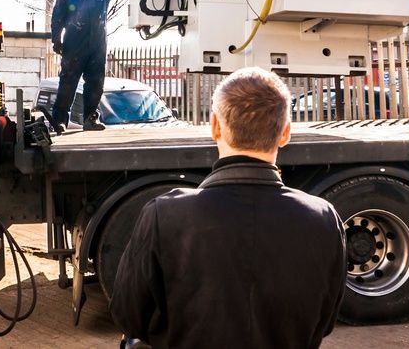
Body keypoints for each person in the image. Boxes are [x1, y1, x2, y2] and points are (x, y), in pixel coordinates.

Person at [110, 67, 346, 349]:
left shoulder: (165, 215)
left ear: (215, 127)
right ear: (285, 134)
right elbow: (326, 320)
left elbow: (128, 315)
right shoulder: (323, 218)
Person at [49, 0, 129, 133]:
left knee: (95, 83)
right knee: (67, 83)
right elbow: (57, 17)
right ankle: (60, 120)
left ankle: (90, 119)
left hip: (97, 46)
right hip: (73, 46)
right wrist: (56, 39)